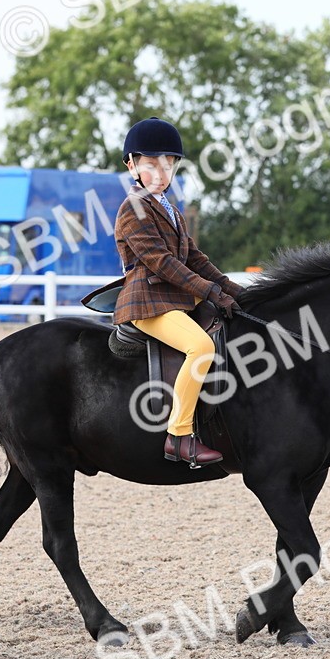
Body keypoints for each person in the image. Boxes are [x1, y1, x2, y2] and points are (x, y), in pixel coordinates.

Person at [111, 117, 243, 467]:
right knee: (200, 347)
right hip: (148, 302)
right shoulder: (133, 208)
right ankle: (180, 436)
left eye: (168, 164)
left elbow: (195, 257)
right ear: (132, 165)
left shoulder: (170, 209)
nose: (161, 172)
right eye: (151, 164)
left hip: (174, 298)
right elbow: (161, 262)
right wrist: (210, 291)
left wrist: (230, 287)